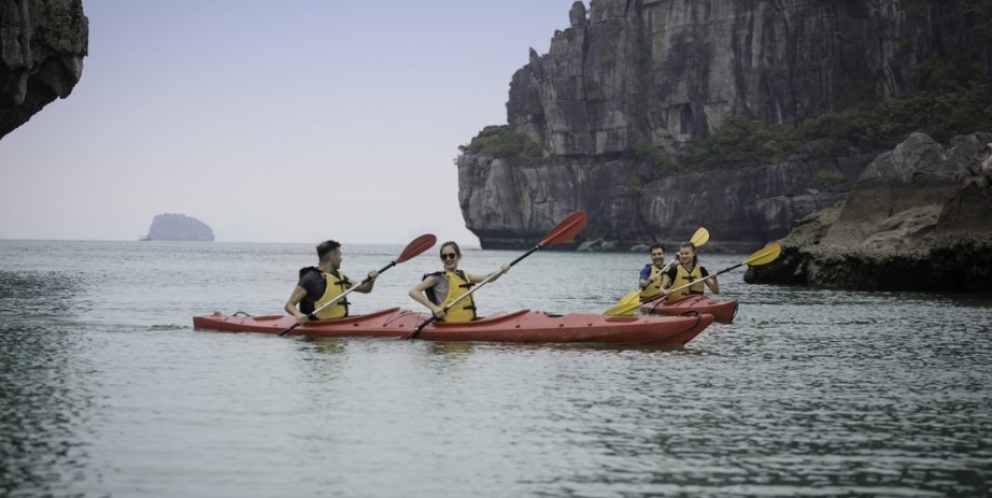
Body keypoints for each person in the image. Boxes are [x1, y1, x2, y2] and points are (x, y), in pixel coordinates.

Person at [408, 241, 510, 322]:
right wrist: (434, 308)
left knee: (503, 314)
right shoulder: (436, 278)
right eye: (444, 256)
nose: (448, 259)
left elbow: (487, 278)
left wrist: (501, 271)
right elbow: (413, 292)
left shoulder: (464, 276)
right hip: (450, 325)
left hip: (469, 323)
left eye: (451, 255)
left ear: (459, 256)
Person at [284, 240, 379, 325]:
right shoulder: (310, 278)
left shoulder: (338, 277)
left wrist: (371, 279)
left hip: (337, 326)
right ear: (332, 258)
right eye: (340, 255)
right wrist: (298, 314)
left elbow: (365, 289)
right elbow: (289, 305)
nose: (341, 258)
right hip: (315, 334)